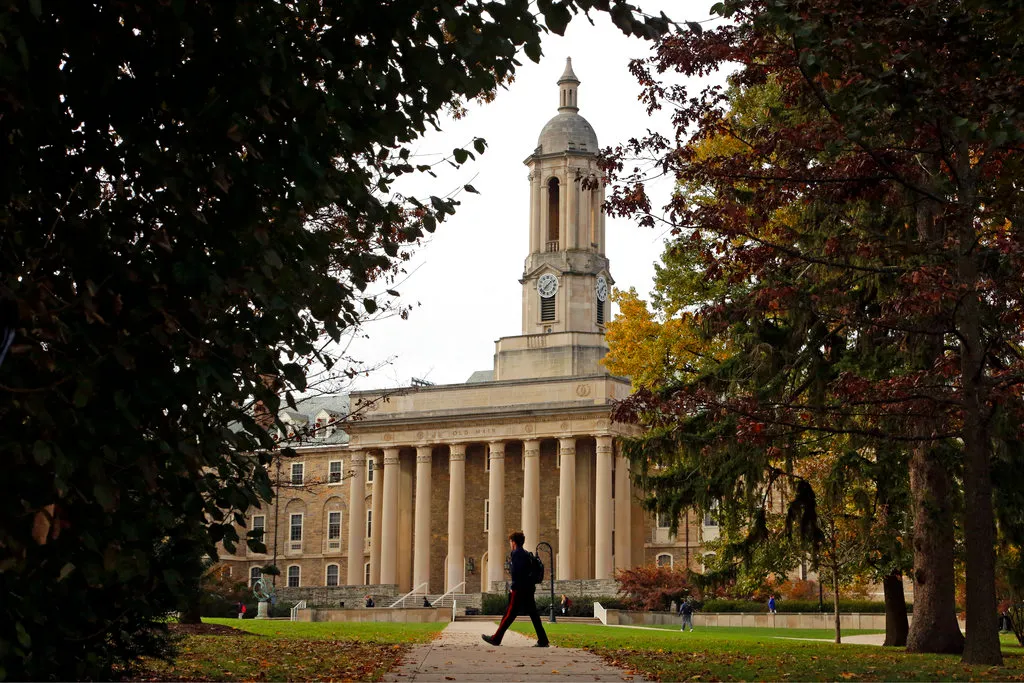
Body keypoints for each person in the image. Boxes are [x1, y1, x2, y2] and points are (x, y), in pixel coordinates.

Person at [481, 531, 549, 648]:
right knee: (533, 614)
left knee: (510, 614)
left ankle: (496, 638)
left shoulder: (517, 554)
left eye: (510, 542)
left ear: (513, 542)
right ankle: (543, 640)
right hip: (528, 588)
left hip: (520, 589)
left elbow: (517, 573)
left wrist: (513, 587)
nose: (510, 544)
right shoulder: (526, 554)